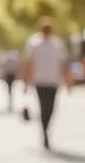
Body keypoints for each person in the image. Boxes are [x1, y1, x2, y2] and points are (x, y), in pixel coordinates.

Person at [21, 17, 70, 151]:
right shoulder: (33, 43)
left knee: (51, 108)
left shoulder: (58, 44)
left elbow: (63, 64)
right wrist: (25, 80)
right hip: (40, 81)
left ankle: (46, 128)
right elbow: (28, 63)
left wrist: (67, 81)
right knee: (44, 106)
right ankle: (45, 133)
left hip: (53, 81)